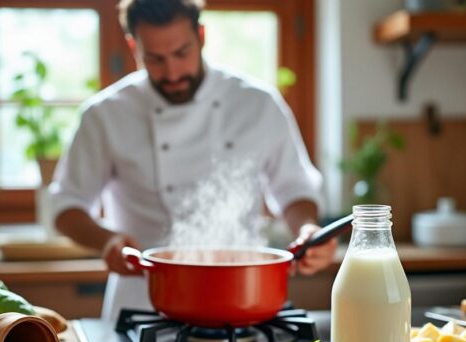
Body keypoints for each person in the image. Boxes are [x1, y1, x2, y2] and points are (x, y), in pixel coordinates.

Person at [50, 0, 336, 322]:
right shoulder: (104, 115)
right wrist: (108, 241)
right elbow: (65, 206)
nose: (172, 72)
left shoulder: (258, 103)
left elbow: (293, 187)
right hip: (142, 303)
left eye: (181, 53)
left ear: (201, 35)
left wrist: (309, 229)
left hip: (242, 299)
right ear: (133, 45)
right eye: (154, 59)